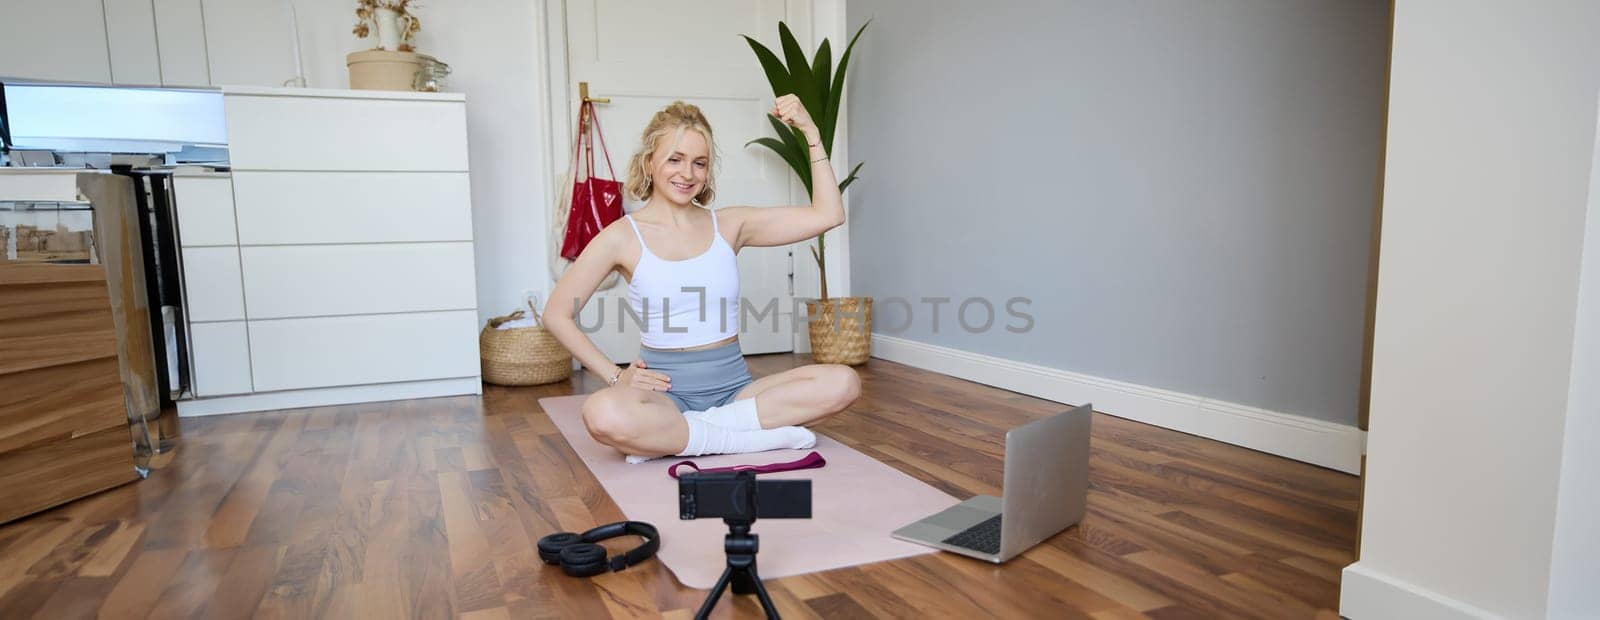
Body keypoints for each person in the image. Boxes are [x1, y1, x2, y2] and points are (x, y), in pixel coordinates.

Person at [543, 95, 860, 462]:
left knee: (843, 383)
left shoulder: (729, 224)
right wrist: (615, 376)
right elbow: (556, 314)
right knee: (602, 414)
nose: (687, 173)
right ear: (649, 162)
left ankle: (691, 435)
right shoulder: (621, 236)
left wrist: (811, 132)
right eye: (674, 159)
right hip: (665, 395)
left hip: (735, 390)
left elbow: (829, 213)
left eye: (699, 163)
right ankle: (738, 438)